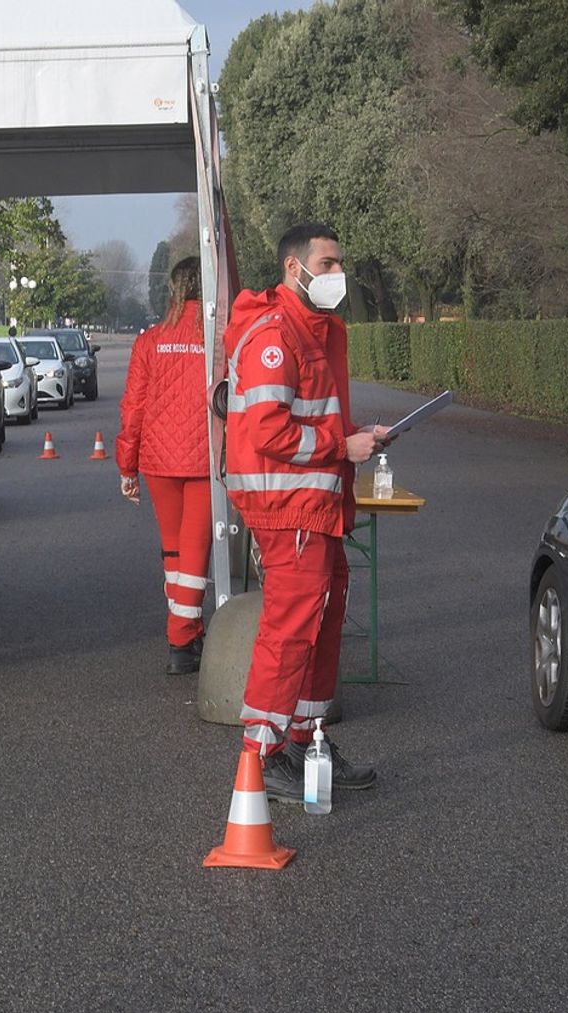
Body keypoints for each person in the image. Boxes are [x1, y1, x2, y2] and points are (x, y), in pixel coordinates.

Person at [221, 223, 390, 802]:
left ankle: (307, 742)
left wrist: (355, 436)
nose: (338, 274)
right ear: (295, 269)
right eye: (328, 263)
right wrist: (341, 446)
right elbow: (268, 429)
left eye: (340, 263)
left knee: (321, 616)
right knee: (291, 628)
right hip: (287, 507)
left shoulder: (310, 327)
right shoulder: (276, 333)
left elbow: (302, 417)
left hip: (312, 504)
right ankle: (263, 755)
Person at [116, 256, 213, 675]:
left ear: (173, 290)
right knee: (195, 550)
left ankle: (186, 631)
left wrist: (127, 466)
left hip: (158, 459)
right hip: (204, 458)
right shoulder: (218, 339)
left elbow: (132, 408)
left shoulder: (149, 341)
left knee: (173, 550)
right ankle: (181, 639)